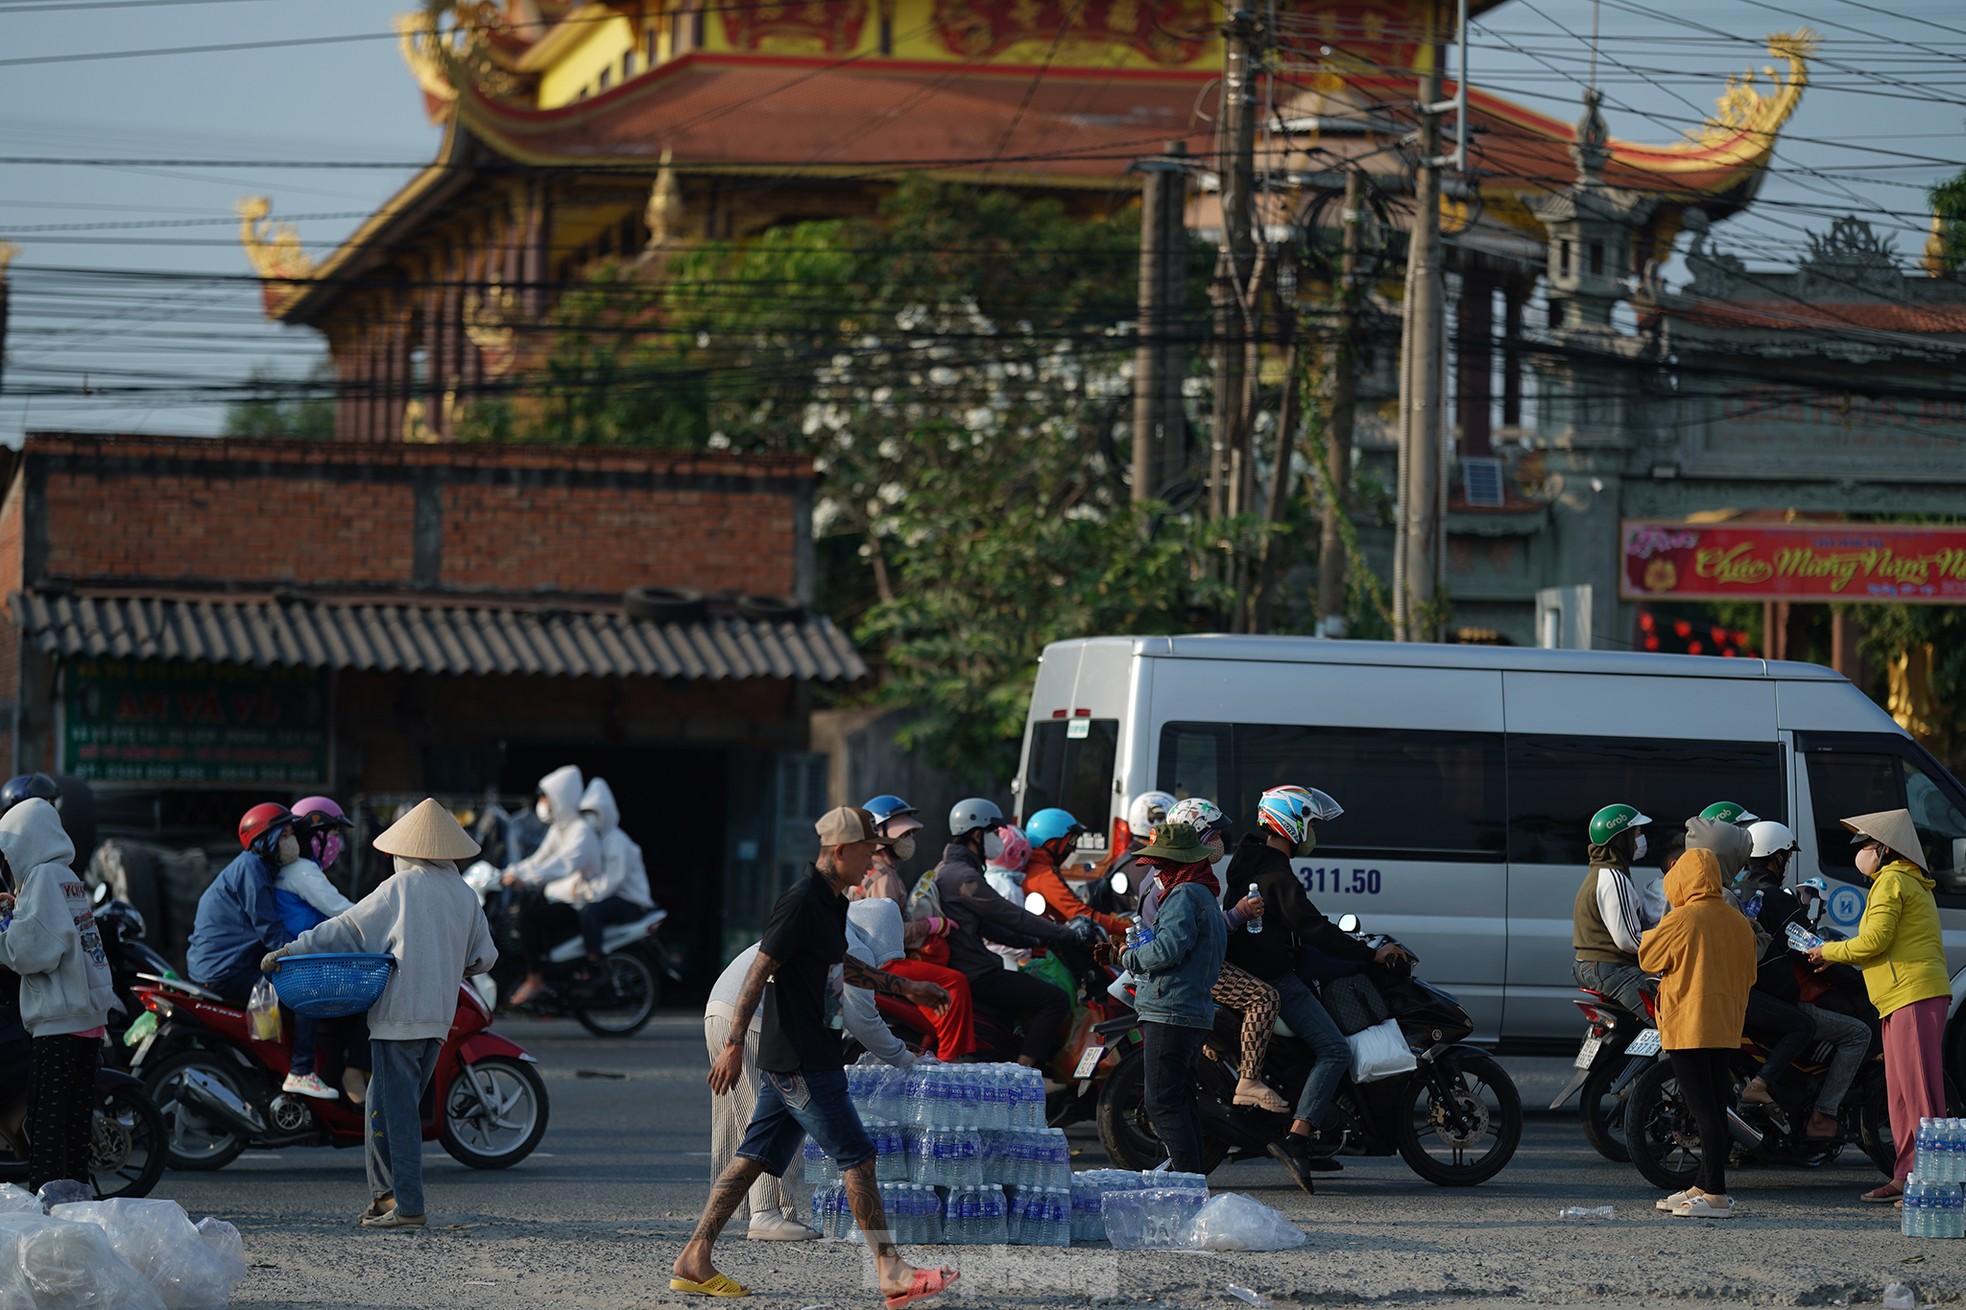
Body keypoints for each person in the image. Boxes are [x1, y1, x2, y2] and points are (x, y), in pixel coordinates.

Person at [672, 806, 957, 1304]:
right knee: (859, 1157)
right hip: (802, 1058)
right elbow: (761, 968)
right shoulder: (802, 901)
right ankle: (890, 1270)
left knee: (752, 1158)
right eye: (867, 851)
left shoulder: (832, 902)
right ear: (840, 850)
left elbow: (841, 965)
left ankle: (694, 1258)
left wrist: (907, 987)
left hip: (801, 1056)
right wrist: (735, 1044)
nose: (872, 862)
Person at [262, 798, 497, 1230]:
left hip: (398, 1020)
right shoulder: (463, 894)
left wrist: (291, 950)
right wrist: (446, 961)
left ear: (406, 851)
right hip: (438, 1022)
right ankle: (385, 1197)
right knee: (381, 1104)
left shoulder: (401, 889)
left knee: (397, 1113)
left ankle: (408, 1206)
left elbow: (347, 929)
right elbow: (485, 958)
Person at [1224, 785, 1410, 1190]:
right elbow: (1312, 927)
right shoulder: (1274, 873)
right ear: (1289, 824)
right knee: (1334, 1048)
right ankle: (1298, 1138)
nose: (1312, 834)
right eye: (1309, 824)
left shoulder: (1251, 862)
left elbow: (1302, 928)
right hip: (1273, 979)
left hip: (1259, 969)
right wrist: (1368, 955)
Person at [1807, 808, 1951, 1204]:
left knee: (1919, 1093)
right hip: (1900, 996)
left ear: (1884, 848)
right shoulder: (1902, 881)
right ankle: (1905, 1176)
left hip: (1913, 993)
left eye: (1865, 845)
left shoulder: (1892, 882)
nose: (1861, 852)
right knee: (1900, 1095)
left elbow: (1873, 942)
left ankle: (1934, 1185)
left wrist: (1828, 951)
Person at [1133, 800, 1285, 1114]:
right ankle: (1249, 1080)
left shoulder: (1180, 876)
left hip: (1182, 969)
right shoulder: (1178, 884)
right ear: (1198, 837)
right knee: (1264, 997)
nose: (1220, 842)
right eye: (1214, 834)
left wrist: (1239, 914)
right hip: (1187, 972)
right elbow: (1191, 937)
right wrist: (1240, 913)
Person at [1638, 817, 1756, 1219]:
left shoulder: (1682, 918)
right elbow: (1751, 971)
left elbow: (1648, 957)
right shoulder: (1737, 920)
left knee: (1703, 1109)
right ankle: (1703, 1184)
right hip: (1725, 1025)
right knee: (1714, 1105)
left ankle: (1717, 1194)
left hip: (1689, 1025)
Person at [0, 797, 113, 1193]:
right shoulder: (65, 876)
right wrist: (18, 910)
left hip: (58, 1023)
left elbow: (34, 953)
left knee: (47, 1126)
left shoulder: (43, 879)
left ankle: (48, 1214)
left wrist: (2, 935)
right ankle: (74, 1204)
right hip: (87, 1021)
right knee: (73, 1125)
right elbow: (57, 929)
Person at [1101, 822, 1226, 1175]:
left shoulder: (1184, 895)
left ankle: (1186, 1185)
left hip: (1171, 1011)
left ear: (1177, 863)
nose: (1155, 870)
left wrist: (1127, 955)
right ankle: (1191, 1179)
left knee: (1162, 1105)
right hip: (1190, 1012)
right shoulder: (1204, 893)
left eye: (1160, 864)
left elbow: (1167, 950)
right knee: (1180, 1102)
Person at [1737, 820, 1872, 1142]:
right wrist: (1856, 982)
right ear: (1777, 857)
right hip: (1771, 998)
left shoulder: (1735, 890)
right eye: (1787, 856)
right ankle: (1823, 1116)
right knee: (1858, 1033)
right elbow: (1809, 949)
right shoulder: (1775, 898)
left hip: (1740, 994)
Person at [933, 797, 1082, 1071]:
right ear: (977, 835)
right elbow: (1011, 915)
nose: (997, 840)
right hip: (977, 972)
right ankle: (1022, 1074)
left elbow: (990, 927)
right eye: (993, 833)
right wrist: (1060, 932)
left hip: (972, 965)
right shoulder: (965, 877)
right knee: (1055, 999)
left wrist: (1037, 939)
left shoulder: (951, 870)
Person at [269, 799, 355, 1101]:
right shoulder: (303, 871)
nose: (336, 842)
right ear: (312, 835)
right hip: (301, 965)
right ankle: (302, 1069)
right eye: (332, 833)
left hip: (297, 957)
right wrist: (381, 921)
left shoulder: (294, 869)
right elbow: (342, 910)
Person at [500, 765, 601, 1006]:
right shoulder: (560, 828)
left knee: (528, 918)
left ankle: (535, 978)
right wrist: (512, 871)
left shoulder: (581, 831)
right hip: (563, 896)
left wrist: (527, 877)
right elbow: (540, 858)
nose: (542, 802)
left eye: (546, 797)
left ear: (560, 797)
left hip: (582, 902)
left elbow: (562, 864)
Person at [186, 803, 300, 1004]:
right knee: (298, 992)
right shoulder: (251, 868)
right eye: (284, 836)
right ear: (267, 839)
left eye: (291, 834)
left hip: (214, 967)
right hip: (224, 972)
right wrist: (304, 953)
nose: (290, 841)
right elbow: (269, 928)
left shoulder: (258, 866)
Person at [1571, 803, 1654, 1017]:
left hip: (1594, 966)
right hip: (1610, 967)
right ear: (1621, 838)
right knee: (1672, 1022)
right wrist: (1670, 945)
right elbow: (1629, 941)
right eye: (1637, 833)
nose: (1640, 839)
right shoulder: (1613, 878)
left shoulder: (1601, 872)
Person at [574, 777, 655, 953]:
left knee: (589, 912)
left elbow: (614, 879)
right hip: (614, 897)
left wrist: (590, 894)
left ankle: (594, 959)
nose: (590, 818)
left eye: (594, 812)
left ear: (605, 811)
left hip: (631, 901)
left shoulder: (616, 841)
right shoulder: (599, 840)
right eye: (586, 812)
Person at [1021, 808, 1129, 937]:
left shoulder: (1032, 868)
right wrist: (1127, 928)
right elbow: (1081, 914)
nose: (1073, 848)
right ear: (1054, 842)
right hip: (1046, 950)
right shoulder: (1043, 876)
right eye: (1070, 841)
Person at [857, 795, 927, 909]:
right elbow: (886, 924)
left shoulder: (869, 866)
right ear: (879, 834)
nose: (908, 840)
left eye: (909, 833)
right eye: (902, 834)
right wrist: (930, 925)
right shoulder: (883, 878)